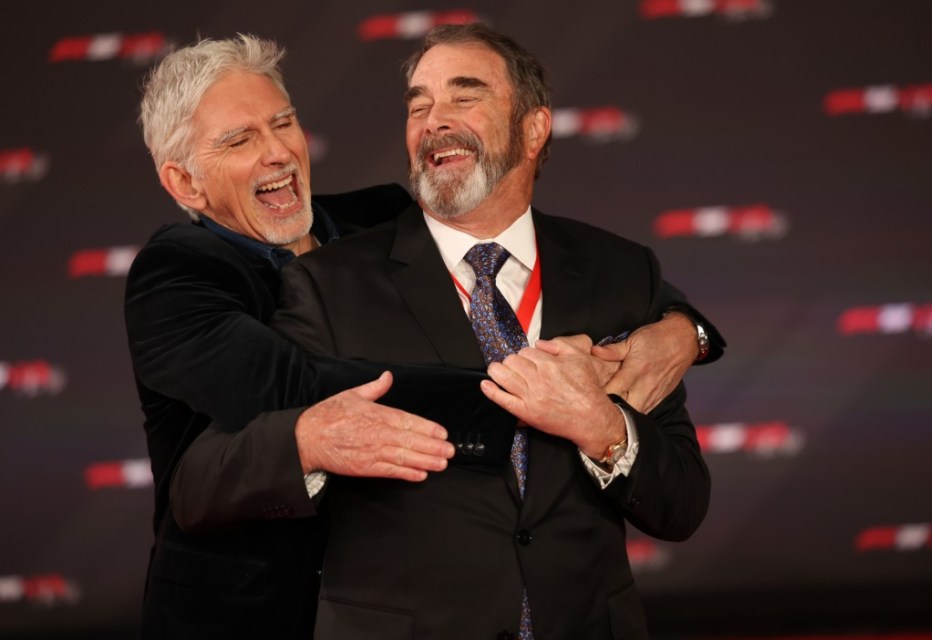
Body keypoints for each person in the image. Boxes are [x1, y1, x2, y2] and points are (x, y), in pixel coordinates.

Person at [128, 34, 721, 640]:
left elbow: (678, 487)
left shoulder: (383, 218)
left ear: (535, 127)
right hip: (246, 609)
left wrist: (683, 333)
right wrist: (532, 393)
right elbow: (285, 387)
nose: (277, 151)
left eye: (282, 123)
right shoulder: (183, 274)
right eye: (239, 140)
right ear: (186, 183)